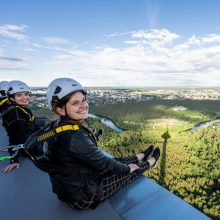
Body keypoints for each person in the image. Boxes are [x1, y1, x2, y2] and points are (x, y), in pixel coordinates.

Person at [42, 77, 161, 210]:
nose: (83, 105)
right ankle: (151, 162)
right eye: (75, 103)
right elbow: (105, 164)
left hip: (69, 189)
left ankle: (139, 156)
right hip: (82, 197)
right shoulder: (73, 136)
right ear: (60, 109)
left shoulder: (57, 126)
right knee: (125, 173)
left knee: (115, 162)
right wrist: (128, 169)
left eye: (83, 100)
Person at [1, 80, 39, 173]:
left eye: (26, 94)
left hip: (29, 135)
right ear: (12, 98)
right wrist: (14, 160)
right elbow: (16, 138)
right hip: (30, 146)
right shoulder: (17, 115)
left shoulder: (18, 109)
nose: (25, 97)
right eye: (19, 95)